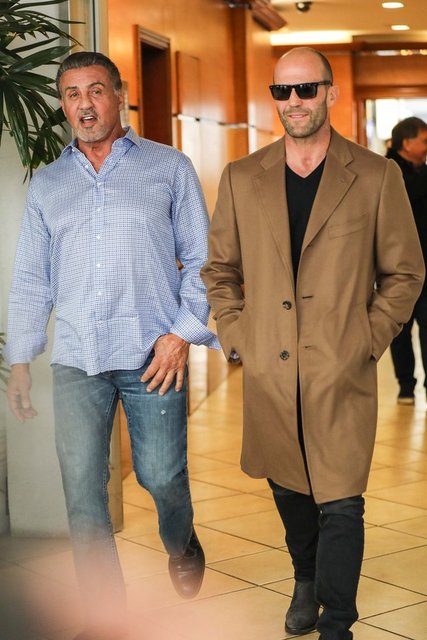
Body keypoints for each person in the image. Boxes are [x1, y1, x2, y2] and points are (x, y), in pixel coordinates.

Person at [201, 47, 424, 639]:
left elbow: (405, 272)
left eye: (306, 89)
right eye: (283, 91)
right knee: (289, 487)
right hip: (270, 368)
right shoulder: (242, 177)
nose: (294, 101)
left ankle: (337, 621)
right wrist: (238, 334)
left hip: (340, 366)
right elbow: (219, 270)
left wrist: (368, 339)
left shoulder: (376, 175)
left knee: (343, 499)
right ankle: (305, 577)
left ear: (331, 92)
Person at [5, 51, 218, 640]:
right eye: (72, 94)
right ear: (63, 104)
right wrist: (20, 360)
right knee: (82, 492)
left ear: (119, 96)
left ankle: (181, 540)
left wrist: (181, 335)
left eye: (96, 91)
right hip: (78, 358)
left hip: (153, 355)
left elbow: (204, 262)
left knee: (161, 476)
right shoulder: (49, 184)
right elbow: (31, 279)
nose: (84, 104)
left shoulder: (168, 168)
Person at [385, 117, 427, 404]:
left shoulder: (423, 170)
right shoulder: (387, 171)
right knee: (399, 328)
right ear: (407, 143)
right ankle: (406, 385)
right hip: (396, 267)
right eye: (424, 141)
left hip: (426, 266)